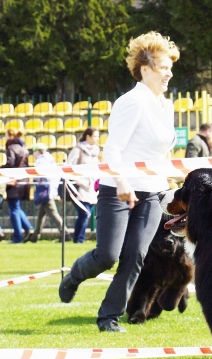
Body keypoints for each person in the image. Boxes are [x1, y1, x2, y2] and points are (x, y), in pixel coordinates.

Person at [59, 31, 180, 333]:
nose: (169, 73)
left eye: (170, 68)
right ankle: (75, 275)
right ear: (145, 69)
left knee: (136, 256)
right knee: (107, 256)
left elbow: (161, 152)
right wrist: (122, 181)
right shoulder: (131, 102)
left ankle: (108, 317)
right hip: (118, 189)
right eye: (164, 67)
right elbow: (112, 150)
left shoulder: (167, 106)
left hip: (153, 193)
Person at [66, 127, 100, 243]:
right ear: (88, 136)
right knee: (84, 213)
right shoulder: (77, 150)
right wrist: (78, 180)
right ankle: (79, 239)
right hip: (79, 187)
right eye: (95, 136)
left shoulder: (96, 152)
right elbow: (69, 167)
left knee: (86, 214)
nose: (97, 138)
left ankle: (79, 238)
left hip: (91, 188)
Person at [31, 143, 69, 242]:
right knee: (41, 214)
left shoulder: (40, 161)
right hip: (50, 189)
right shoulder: (50, 159)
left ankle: (65, 233)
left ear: (38, 151)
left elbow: (39, 175)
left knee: (53, 213)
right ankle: (35, 236)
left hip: (45, 190)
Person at [3, 129, 33, 243]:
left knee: (13, 209)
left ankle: (17, 237)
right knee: (17, 207)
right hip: (23, 181)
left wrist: (2, 170)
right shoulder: (23, 148)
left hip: (14, 181)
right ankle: (28, 228)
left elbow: (10, 163)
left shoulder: (11, 148)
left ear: (10, 136)